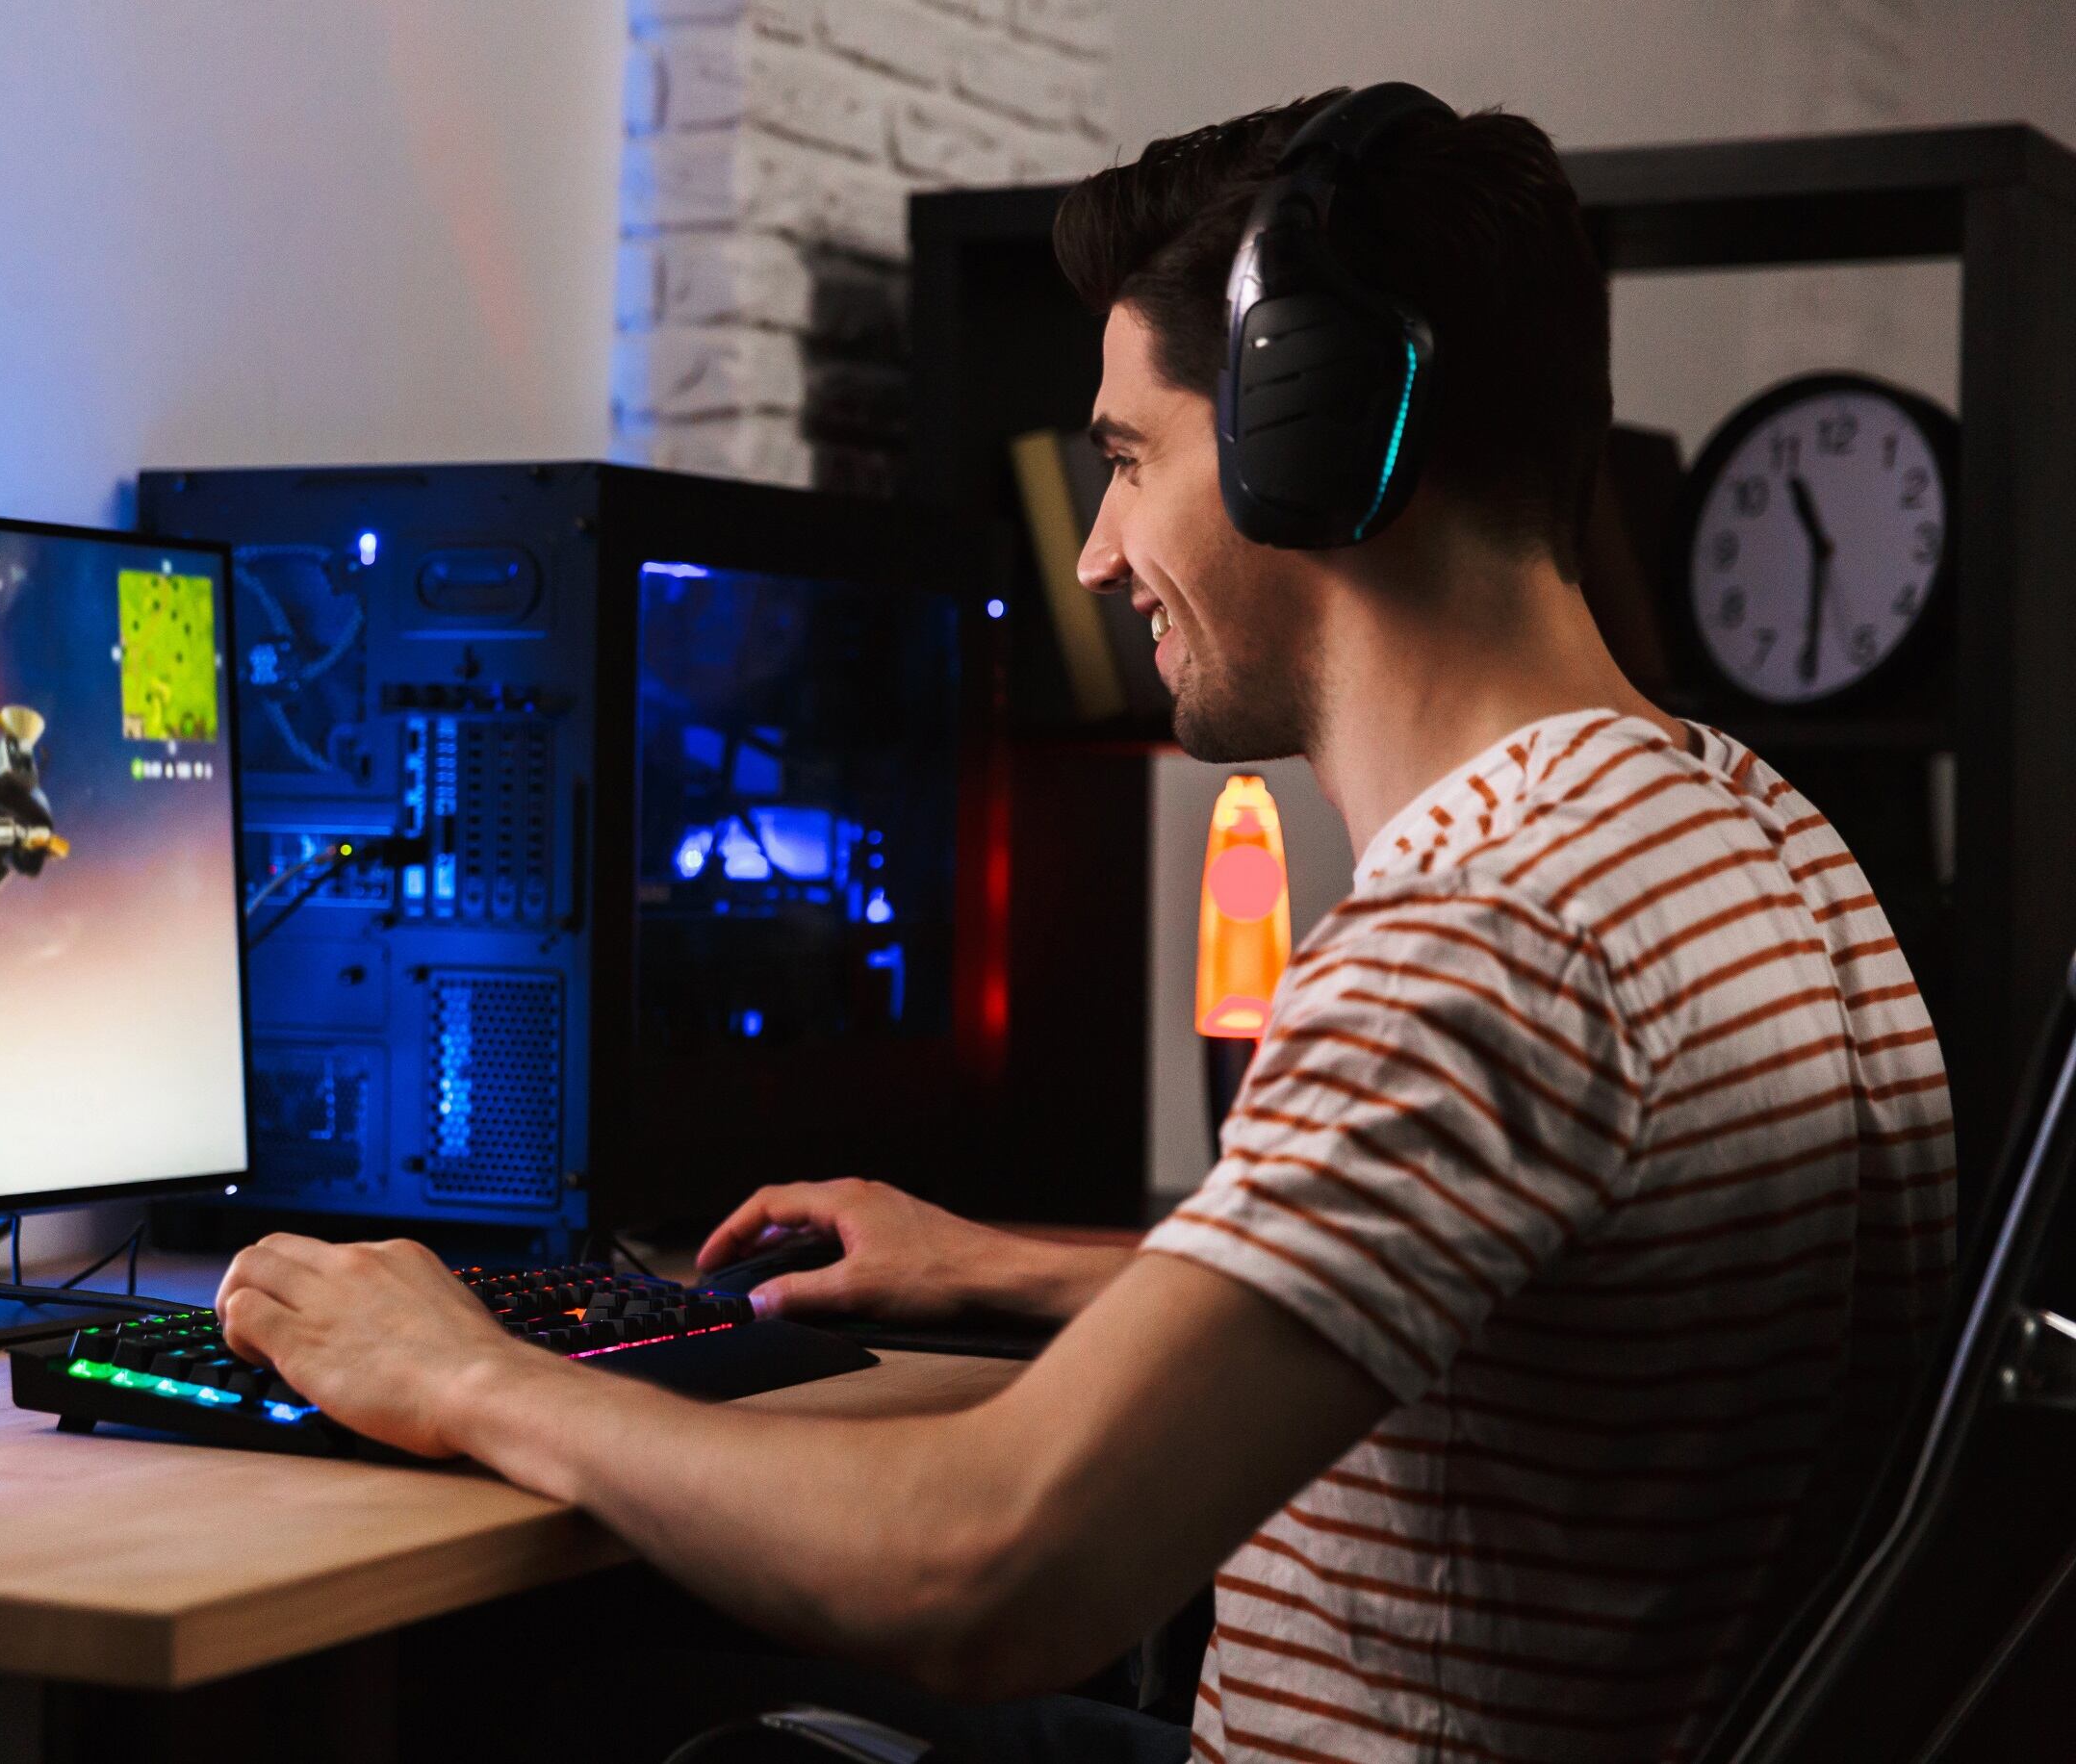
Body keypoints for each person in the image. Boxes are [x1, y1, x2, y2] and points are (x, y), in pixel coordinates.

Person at [215, 89, 1956, 1763]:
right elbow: (1520, 1302)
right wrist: (1019, 1268)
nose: (1101, 550)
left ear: (1318, 437)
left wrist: (462, 1375)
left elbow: (988, 1570)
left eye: (1127, 455)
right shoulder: (1745, 829)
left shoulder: (1479, 937)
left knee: (552, 1711)